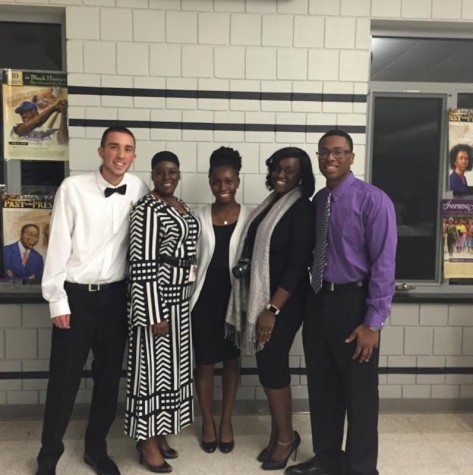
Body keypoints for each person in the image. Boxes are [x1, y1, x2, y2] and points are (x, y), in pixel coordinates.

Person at [36, 126, 148, 475]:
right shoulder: (73, 188)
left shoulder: (140, 188)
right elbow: (56, 246)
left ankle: (96, 449)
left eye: (127, 149)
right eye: (113, 147)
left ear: (133, 156)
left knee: (108, 378)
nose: (120, 155)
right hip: (76, 296)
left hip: (117, 299)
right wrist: (57, 300)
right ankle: (48, 455)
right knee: (64, 380)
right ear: (100, 151)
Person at [286, 129, 397, 475]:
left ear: (351, 157)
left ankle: (362, 467)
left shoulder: (373, 200)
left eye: (338, 152)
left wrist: (373, 322)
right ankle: (327, 457)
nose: (330, 158)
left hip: (355, 303)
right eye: (323, 153)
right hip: (319, 301)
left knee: (360, 393)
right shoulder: (319, 201)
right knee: (322, 384)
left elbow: (384, 263)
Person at [226, 147, 316, 471]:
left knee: (273, 365)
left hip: (285, 302)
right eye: (278, 168)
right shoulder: (271, 205)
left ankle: (285, 440)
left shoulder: (302, 209)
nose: (281, 175)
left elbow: (297, 265)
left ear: (301, 176)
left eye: (289, 171)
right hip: (264, 299)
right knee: (267, 366)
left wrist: (272, 310)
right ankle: (281, 433)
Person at [125, 151, 200, 473]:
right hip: (156, 304)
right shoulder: (146, 209)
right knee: (150, 375)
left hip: (179, 303)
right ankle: (146, 441)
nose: (166, 176)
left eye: (172, 170)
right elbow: (142, 264)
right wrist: (154, 313)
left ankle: (160, 431)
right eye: (160, 172)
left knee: (171, 372)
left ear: (178, 173)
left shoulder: (180, 205)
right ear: (152, 175)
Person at [190, 147, 252, 454]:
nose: (223, 187)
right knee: (203, 363)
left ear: (237, 181)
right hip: (203, 301)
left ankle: (226, 421)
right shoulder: (198, 215)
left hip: (234, 302)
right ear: (210, 182)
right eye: (217, 182)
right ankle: (207, 421)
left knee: (231, 362)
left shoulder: (251, 217)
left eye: (229, 181)